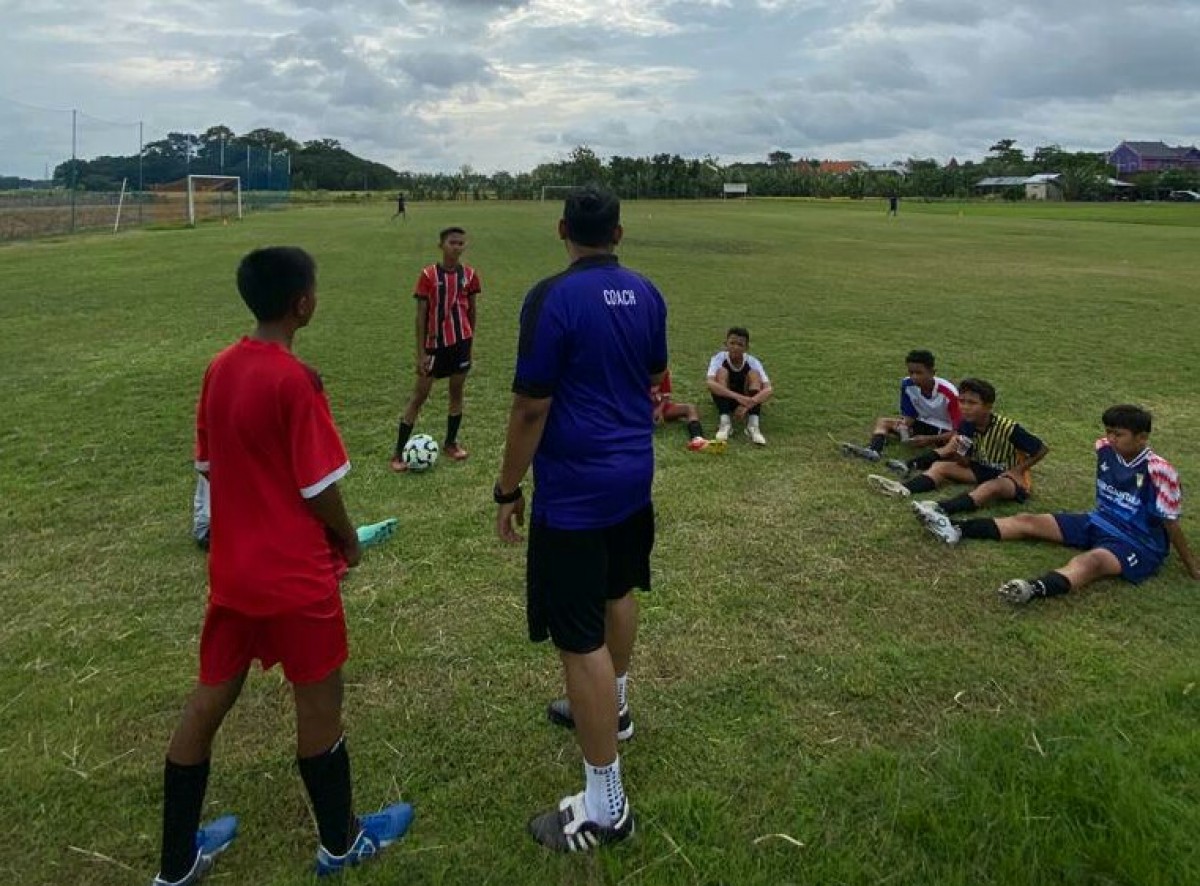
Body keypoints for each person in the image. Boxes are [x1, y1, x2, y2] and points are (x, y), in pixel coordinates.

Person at [152, 247, 411, 886]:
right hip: (296, 580)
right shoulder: (295, 380)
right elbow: (318, 486)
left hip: (234, 575)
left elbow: (210, 469)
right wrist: (349, 540)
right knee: (319, 705)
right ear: (302, 304)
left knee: (209, 698)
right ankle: (341, 843)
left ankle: (175, 862)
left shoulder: (219, 368)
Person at [494, 184, 666, 852]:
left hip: (574, 494)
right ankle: (614, 707)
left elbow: (530, 407)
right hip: (632, 479)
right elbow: (656, 377)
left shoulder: (551, 297)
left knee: (578, 638)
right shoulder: (648, 292)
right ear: (618, 234)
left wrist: (508, 489)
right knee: (617, 590)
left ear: (562, 230)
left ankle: (605, 805)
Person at [918, 404, 1200, 602]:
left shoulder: (1160, 470)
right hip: (1099, 520)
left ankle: (1032, 589)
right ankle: (953, 528)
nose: (1111, 439)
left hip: (1137, 542)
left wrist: (1191, 566)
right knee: (1028, 521)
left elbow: (1169, 521)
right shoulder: (1103, 448)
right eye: (1109, 432)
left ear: (1142, 437)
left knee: (1092, 561)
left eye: (1119, 434)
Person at [867, 378, 1048, 518]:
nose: (965, 407)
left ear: (988, 406)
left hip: (1008, 475)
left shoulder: (1008, 427)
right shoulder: (966, 425)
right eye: (962, 401)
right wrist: (960, 451)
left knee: (992, 487)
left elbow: (1042, 449)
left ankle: (940, 508)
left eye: (972, 403)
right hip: (982, 467)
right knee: (940, 466)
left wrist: (1018, 470)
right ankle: (902, 488)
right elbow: (965, 462)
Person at [390, 227, 481, 471]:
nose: (457, 247)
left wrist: (469, 344)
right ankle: (398, 452)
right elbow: (420, 317)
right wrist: (420, 353)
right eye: (452, 242)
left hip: (460, 343)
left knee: (456, 392)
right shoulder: (429, 275)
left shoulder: (470, 275)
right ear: (441, 245)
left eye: (461, 243)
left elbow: (471, 311)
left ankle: (451, 443)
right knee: (419, 396)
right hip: (433, 346)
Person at [840, 349, 959, 473]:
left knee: (954, 444)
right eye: (911, 372)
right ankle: (874, 450)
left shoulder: (949, 393)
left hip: (945, 430)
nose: (914, 377)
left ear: (932, 372)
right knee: (884, 422)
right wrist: (904, 424)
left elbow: (958, 431)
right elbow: (910, 415)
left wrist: (929, 439)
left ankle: (913, 464)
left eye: (919, 373)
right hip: (923, 423)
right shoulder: (907, 384)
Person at [705, 327, 773, 445]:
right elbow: (710, 383)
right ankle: (725, 423)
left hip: (747, 401)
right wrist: (737, 397)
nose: (735, 347)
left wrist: (748, 404)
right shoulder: (719, 358)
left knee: (754, 375)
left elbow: (768, 389)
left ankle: (753, 425)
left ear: (746, 348)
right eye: (732, 343)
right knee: (721, 372)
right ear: (725, 344)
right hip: (728, 398)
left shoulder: (753, 362)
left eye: (740, 344)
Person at [653, 368, 720, 452]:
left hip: (660, 408)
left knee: (689, 408)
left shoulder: (662, 369)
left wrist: (659, 410)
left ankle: (697, 439)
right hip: (639, 410)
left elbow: (666, 396)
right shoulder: (635, 371)